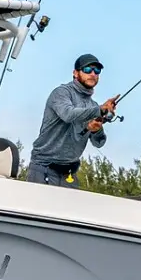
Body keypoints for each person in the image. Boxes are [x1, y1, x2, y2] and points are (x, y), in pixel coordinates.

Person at [26, 52, 119, 188]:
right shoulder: (61, 93)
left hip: (69, 174)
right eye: (87, 69)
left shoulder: (93, 105)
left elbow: (99, 142)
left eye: (97, 70)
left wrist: (95, 130)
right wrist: (100, 110)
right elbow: (68, 114)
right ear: (75, 73)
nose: (93, 73)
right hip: (43, 168)